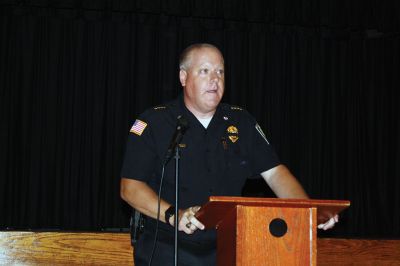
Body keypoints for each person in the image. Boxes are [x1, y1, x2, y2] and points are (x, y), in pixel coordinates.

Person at [120, 43, 338, 265]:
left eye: (220, 71)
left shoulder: (241, 122)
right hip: (168, 246)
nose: (215, 78)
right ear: (183, 77)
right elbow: (130, 187)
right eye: (205, 71)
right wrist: (173, 215)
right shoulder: (155, 122)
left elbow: (275, 173)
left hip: (228, 247)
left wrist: (309, 212)